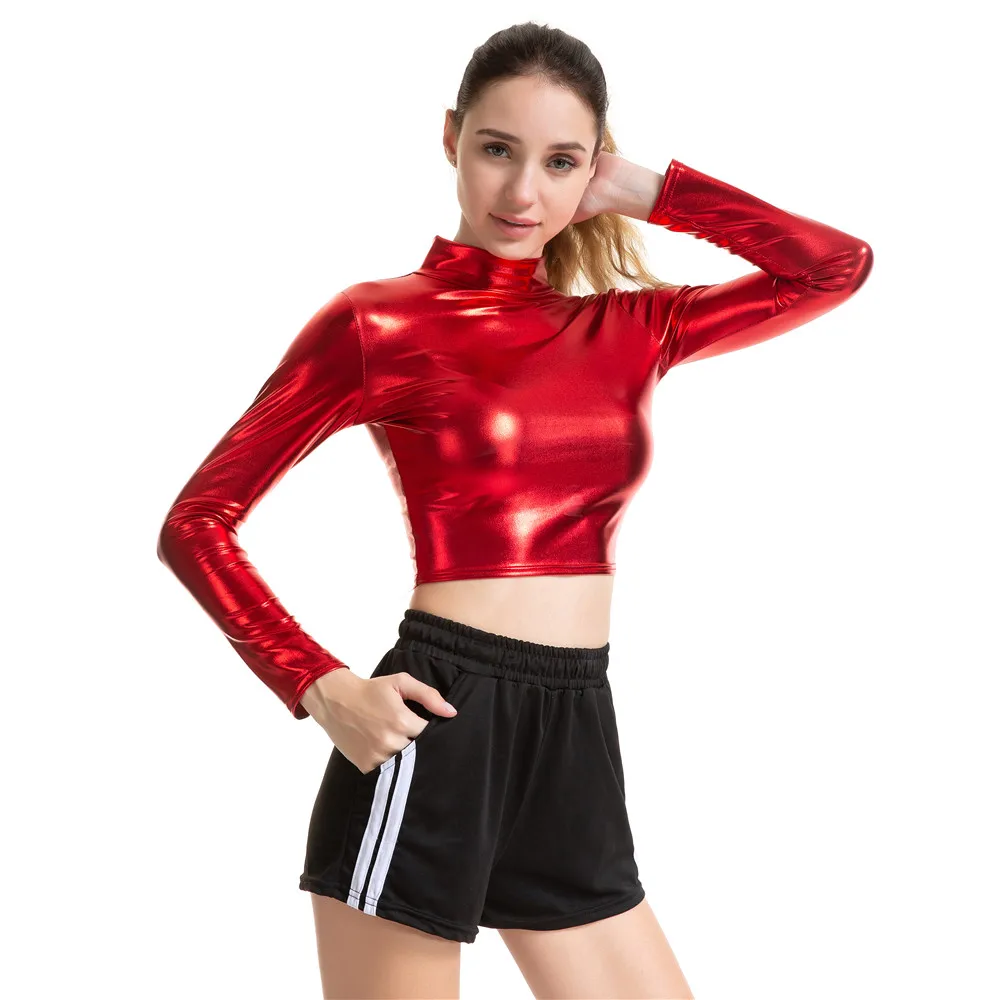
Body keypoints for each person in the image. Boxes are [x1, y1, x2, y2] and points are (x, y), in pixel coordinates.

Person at [156, 21, 873, 1000]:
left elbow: (834, 266)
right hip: (437, 718)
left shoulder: (629, 326)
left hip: (576, 718)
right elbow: (197, 520)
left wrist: (653, 190)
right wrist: (321, 686)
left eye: (560, 162)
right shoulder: (378, 323)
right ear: (451, 137)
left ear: (595, 167)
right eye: (498, 149)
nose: (523, 192)